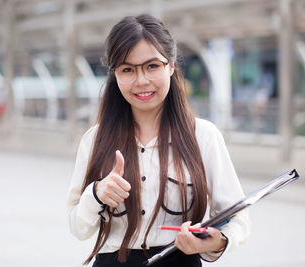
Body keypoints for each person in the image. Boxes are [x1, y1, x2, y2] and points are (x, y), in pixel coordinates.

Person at [66, 14, 250, 267]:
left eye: (152, 66)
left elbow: (237, 217)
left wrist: (214, 242)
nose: (141, 81)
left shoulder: (204, 136)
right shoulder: (95, 140)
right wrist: (97, 194)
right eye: (128, 69)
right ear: (114, 74)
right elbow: (78, 228)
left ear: (171, 65)